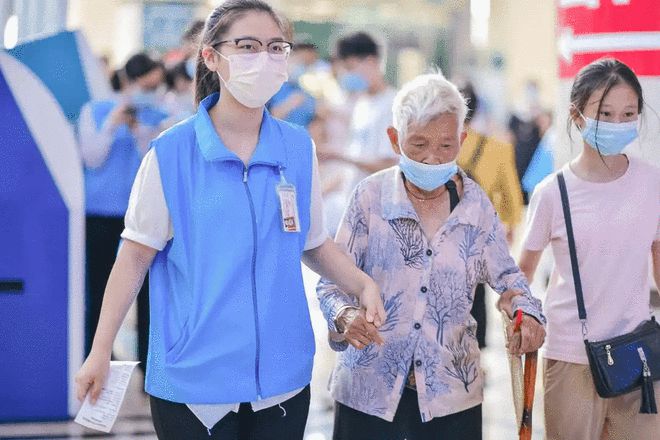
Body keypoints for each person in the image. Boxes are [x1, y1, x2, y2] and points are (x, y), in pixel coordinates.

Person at [74, 2, 385, 439]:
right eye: (248, 46)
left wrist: (361, 283)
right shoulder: (172, 153)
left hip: (282, 379)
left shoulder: (297, 149)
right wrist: (100, 350)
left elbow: (313, 242)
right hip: (193, 383)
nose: (265, 59)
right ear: (212, 57)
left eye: (276, 47)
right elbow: (133, 258)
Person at [317, 72, 545, 440]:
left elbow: (512, 282)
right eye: (418, 143)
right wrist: (344, 315)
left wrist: (528, 315)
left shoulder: (476, 208)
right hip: (368, 388)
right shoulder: (369, 197)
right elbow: (331, 281)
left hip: (451, 394)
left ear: (462, 139)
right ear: (395, 139)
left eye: (445, 146)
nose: (431, 157)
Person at [518, 58, 660, 440]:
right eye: (605, 113)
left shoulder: (652, 183)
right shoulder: (553, 192)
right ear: (577, 116)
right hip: (570, 355)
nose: (617, 123)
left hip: (639, 356)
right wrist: (522, 316)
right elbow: (520, 276)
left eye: (628, 113)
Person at [77, 52, 169, 371]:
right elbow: (92, 158)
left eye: (157, 86)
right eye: (147, 85)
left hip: (141, 214)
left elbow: (153, 160)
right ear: (130, 81)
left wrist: (138, 129)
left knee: (148, 292)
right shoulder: (95, 110)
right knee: (100, 287)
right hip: (100, 214)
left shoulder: (155, 115)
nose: (152, 92)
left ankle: (148, 364)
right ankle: (95, 356)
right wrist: (114, 122)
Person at [457, 81, 524, 349]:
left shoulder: (431, 146)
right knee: (476, 295)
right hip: (476, 238)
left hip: (433, 235)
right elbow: (511, 200)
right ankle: (474, 356)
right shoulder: (496, 148)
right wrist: (507, 228)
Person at [329, 32, 399, 202]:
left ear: (371, 61)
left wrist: (338, 155)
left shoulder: (393, 105)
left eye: (350, 68)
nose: (346, 75)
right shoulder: (361, 104)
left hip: (377, 207)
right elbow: (349, 169)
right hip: (353, 205)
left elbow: (389, 165)